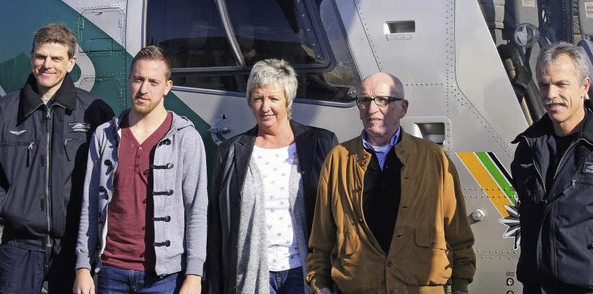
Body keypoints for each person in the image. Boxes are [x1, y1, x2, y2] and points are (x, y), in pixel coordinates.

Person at [0, 22, 115, 294]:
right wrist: (8, 207)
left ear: (71, 63)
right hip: (19, 245)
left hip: (75, 246)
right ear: (32, 57)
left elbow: (112, 174)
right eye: (41, 56)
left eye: (56, 58)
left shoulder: (94, 113)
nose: (47, 64)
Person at [307, 72, 476, 294]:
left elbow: (457, 232)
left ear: (403, 108)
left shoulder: (433, 158)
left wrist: (461, 285)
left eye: (383, 100)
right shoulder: (338, 159)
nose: (372, 108)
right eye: (364, 100)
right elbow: (322, 236)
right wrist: (320, 285)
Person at [74, 45, 207, 294]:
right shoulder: (105, 135)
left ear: (168, 86)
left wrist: (194, 275)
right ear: (130, 80)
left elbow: (196, 211)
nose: (143, 89)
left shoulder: (186, 139)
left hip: (164, 278)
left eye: (153, 82)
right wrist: (82, 267)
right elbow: (90, 204)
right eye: (138, 79)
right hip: (111, 271)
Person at [207, 58, 338, 294]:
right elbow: (217, 224)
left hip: (303, 272)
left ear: (288, 101)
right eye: (258, 98)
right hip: (249, 275)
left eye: (273, 99)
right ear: (249, 101)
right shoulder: (231, 152)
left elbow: (337, 217)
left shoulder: (321, 144)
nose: (265, 107)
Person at [511, 42, 593, 294]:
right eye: (544, 85)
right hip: (537, 287)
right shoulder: (527, 147)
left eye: (561, 84)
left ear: (584, 87)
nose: (551, 94)